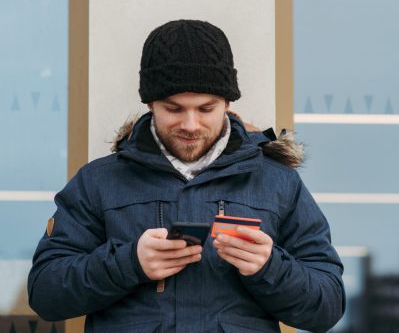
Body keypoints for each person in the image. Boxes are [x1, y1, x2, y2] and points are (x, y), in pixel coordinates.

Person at [28, 20, 345, 333]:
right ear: (150, 103)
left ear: (227, 103)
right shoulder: (97, 181)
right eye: (174, 109)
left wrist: (269, 267)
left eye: (206, 108)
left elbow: (327, 308)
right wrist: (128, 263)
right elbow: (45, 294)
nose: (191, 124)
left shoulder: (278, 183)